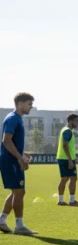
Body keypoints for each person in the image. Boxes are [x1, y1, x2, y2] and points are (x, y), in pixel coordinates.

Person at [0, 93, 37, 235]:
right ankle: (19, 226)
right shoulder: (12, 119)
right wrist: (20, 159)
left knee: (17, 192)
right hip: (10, 162)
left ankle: (2, 220)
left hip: (12, 160)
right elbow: (6, 141)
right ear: (20, 104)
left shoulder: (17, 119)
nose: (31, 107)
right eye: (29, 104)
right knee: (19, 192)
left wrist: (23, 154)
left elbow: (12, 143)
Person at [56, 113, 78, 206]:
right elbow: (65, 146)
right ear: (71, 121)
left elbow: (68, 147)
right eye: (76, 120)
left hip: (64, 158)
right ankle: (72, 201)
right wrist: (70, 160)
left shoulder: (65, 130)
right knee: (73, 178)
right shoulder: (68, 131)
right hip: (66, 159)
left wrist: (74, 158)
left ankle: (60, 200)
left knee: (65, 179)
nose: (77, 123)